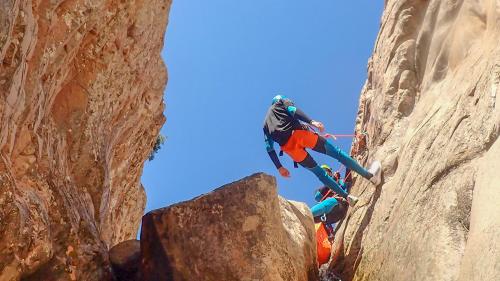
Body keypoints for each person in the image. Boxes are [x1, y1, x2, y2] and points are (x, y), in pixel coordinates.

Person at [263, 95, 381, 206]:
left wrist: (279, 167)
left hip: (291, 150)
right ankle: (370, 176)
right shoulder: (281, 102)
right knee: (337, 153)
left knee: (320, 174)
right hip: (300, 135)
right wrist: (311, 122)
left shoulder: (265, 125)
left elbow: (269, 148)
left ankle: (347, 197)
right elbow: (293, 110)